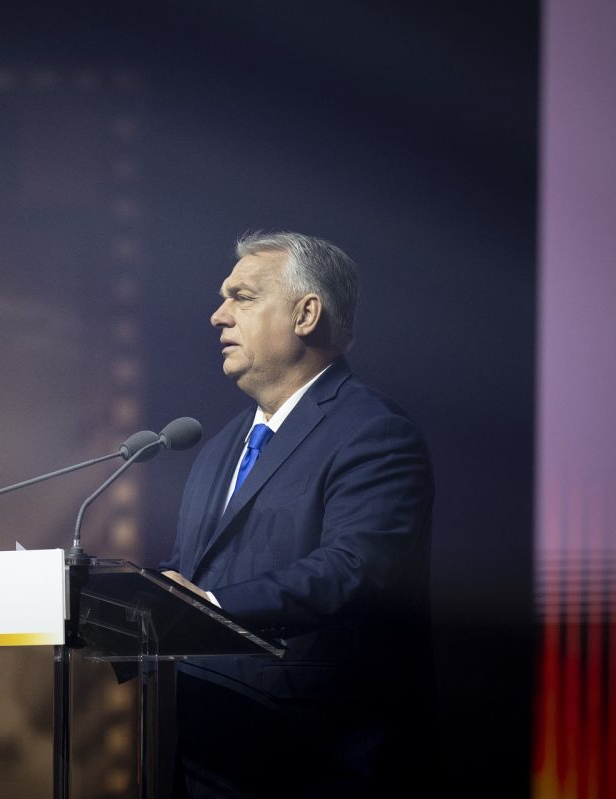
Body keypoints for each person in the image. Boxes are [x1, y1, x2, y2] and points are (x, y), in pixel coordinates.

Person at [161, 231, 437, 798]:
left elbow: (354, 569)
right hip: (206, 759)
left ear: (306, 314)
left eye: (242, 297)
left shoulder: (373, 433)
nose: (218, 316)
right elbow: (195, 575)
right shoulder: (218, 448)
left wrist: (212, 608)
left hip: (314, 763)